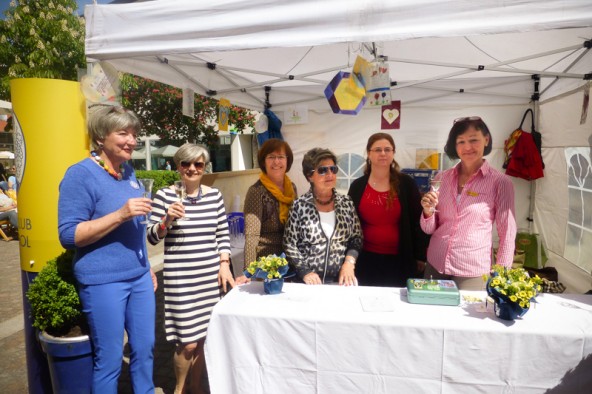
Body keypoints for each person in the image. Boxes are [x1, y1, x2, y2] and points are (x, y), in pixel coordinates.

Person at [58, 104, 156, 392]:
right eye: (123, 133)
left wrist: (146, 266)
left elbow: (136, 229)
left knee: (146, 349)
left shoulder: (128, 171)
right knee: (110, 359)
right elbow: (68, 234)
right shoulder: (80, 174)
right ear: (100, 137)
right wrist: (120, 214)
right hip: (103, 281)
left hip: (138, 277)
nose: (132, 141)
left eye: (134, 134)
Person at [147, 143, 234, 394]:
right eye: (186, 164)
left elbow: (222, 234)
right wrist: (167, 219)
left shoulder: (214, 195)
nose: (192, 169)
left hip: (209, 278)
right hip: (181, 279)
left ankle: (197, 387)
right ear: (178, 166)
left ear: (205, 167)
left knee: (204, 340)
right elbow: (152, 237)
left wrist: (224, 263)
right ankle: (180, 389)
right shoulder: (165, 195)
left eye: (198, 164)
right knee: (187, 343)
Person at [420, 116, 517, 290]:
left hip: (471, 270)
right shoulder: (441, 178)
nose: (467, 147)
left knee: (468, 315)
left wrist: (501, 276)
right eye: (461, 141)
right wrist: (427, 212)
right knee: (432, 313)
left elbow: (507, 233)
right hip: (436, 262)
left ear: (486, 140)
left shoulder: (500, 182)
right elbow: (428, 228)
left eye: (473, 140)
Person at [348, 133, 429, 287]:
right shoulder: (357, 186)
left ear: (393, 153)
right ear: (369, 153)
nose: (383, 153)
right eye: (378, 150)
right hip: (365, 259)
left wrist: (419, 256)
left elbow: (417, 221)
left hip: (400, 260)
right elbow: (350, 225)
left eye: (387, 149)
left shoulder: (406, 184)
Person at [283, 148, 362, 285]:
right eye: (322, 170)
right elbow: (289, 244)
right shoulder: (299, 205)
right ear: (309, 176)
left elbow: (356, 238)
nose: (330, 174)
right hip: (308, 284)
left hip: (341, 282)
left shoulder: (346, 203)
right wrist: (305, 271)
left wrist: (349, 263)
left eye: (333, 169)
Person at [235, 139, 297, 285]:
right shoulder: (256, 191)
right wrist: (249, 272)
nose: (276, 162)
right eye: (271, 157)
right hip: (267, 262)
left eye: (281, 157)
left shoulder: (292, 188)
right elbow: (252, 234)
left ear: (288, 160)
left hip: (290, 259)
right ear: (264, 162)